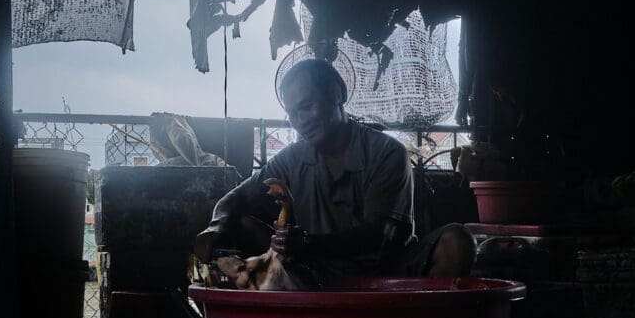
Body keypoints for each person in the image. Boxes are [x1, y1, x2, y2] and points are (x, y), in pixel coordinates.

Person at [192, 58, 476, 281]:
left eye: (307, 106)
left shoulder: (387, 153)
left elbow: (381, 235)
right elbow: (237, 198)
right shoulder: (291, 159)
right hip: (314, 274)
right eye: (292, 113)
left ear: (337, 94)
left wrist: (308, 243)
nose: (300, 120)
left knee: (456, 241)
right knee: (239, 224)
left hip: (387, 275)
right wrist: (215, 227)